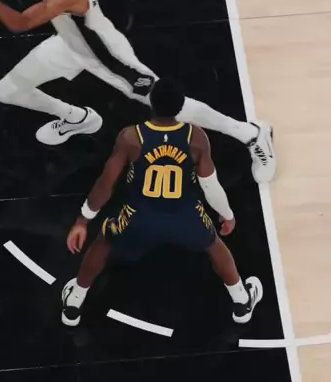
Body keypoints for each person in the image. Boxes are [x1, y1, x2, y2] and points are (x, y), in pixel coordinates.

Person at [0, 0, 275, 182]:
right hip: (67, 46)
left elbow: (20, 23)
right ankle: (78, 118)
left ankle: (251, 134)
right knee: (5, 91)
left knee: (168, 103)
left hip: (107, 57)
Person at [61, 76, 263, 326]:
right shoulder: (196, 137)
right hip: (185, 216)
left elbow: (106, 184)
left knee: (104, 241)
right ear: (181, 106)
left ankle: (73, 304)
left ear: (151, 103)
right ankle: (242, 302)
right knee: (214, 244)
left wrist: (82, 220)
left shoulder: (131, 137)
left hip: (139, 216)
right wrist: (227, 214)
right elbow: (210, 186)